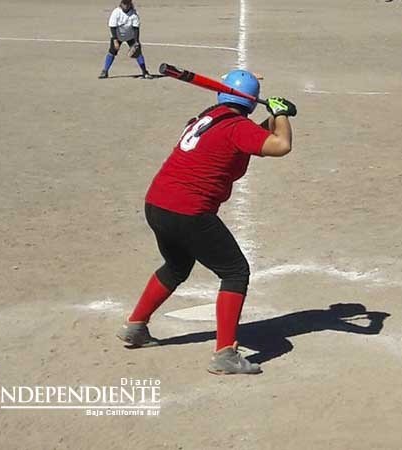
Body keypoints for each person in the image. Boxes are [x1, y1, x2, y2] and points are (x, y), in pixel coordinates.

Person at [116, 70, 298, 376]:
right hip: (189, 210)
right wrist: (280, 115)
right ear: (251, 101)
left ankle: (135, 326)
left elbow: (252, 136)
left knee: (176, 266)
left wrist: (275, 118)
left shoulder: (211, 117)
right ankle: (225, 354)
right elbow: (281, 145)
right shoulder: (236, 127)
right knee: (235, 271)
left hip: (158, 204)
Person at [99, 0, 152, 79]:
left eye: (127, 3)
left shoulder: (134, 14)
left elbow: (136, 29)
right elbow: (112, 27)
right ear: (121, 3)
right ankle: (105, 71)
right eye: (124, 3)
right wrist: (115, 40)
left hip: (130, 36)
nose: (126, 5)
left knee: (138, 53)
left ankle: (145, 72)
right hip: (117, 36)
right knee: (112, 52)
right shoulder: (116, 12)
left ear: (130, 4)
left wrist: (136, 42)